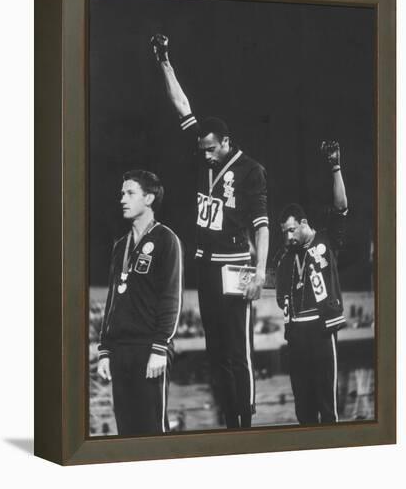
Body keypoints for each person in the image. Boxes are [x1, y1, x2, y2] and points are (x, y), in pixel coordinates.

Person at [151, 34, 269, 429]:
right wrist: (164, 61)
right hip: (205, 265)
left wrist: (262, 271)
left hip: (236, 266)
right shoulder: (202, 153)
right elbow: (182, 106)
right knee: (215, 348)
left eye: (211, 149)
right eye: (201, 149)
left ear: (227, 144)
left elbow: (262, 225)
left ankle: (246, 422)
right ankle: (228, 420)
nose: (204, 155)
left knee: (239, 351)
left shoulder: (251, 171)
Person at [97, 170, 183, 436]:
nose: (122, 198)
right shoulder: (120, 245)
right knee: (126, 431)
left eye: (130, 193)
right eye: (122, 193)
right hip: (121, 351)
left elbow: (172, 298)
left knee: (152, 430)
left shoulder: (166, 239)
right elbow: (112, 299)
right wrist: (105, 350)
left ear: (149, 198)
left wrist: (160, 347)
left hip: (150, 349)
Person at [276, 141, 348, 424]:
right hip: (296, 336)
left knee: (327, 407)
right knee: (303, 411)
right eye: (285, 232)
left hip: (321, 330)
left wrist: (335, 167)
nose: (289, 237)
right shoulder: (285, 256)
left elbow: (341, 207)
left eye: (292, 230)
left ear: (304, 223)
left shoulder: (327, 240)